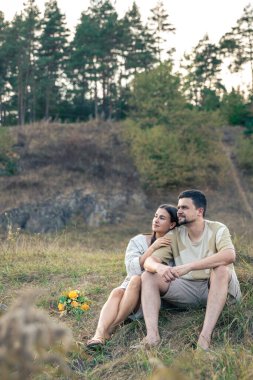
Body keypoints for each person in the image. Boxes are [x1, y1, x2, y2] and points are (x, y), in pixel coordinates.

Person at [141, 189, 241, 350]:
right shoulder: (174, 234)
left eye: (184, 207)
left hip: (217, 287)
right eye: (178, 207)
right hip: (188, 290)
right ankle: (152, 337)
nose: (179, 211)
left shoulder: (217, 229)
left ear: (199, 211)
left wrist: (189, 267)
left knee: (221, 270)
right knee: (148, 276)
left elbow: (229, 255)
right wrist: (159, 267)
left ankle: (204, 338)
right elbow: (149, 262)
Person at [86, 204, 179, 348]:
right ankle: (98, 335)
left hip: (148, 295)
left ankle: (112, 328)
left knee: (137, 279)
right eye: (155, 216)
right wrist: (153, 247)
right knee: (117, 291)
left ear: (172, 224)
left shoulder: (174, 245)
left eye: (162, 218)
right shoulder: (138, 241)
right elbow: (132, 268)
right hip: (128, 290)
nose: (156, 220)